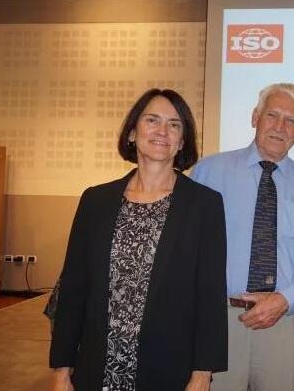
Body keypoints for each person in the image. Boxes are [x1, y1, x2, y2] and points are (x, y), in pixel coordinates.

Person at [49, 89, 228, 390]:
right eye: (152, 120)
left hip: (169, 368)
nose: (162, 131)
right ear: (132, 133)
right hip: (98, 365)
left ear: (182, 141)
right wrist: (61, 368)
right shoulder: (96, 201)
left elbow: (210, 294)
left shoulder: (204, 205)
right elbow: (74, 289)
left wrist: (202, 372)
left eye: (174, 125)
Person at [191, 83, 294, 391]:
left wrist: (284, 300)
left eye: (290, 120)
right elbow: (188, 247)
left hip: (286, 321)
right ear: (255, 117)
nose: (280, 126)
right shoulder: (209, 172)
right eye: (272, 115)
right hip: (220, 319)